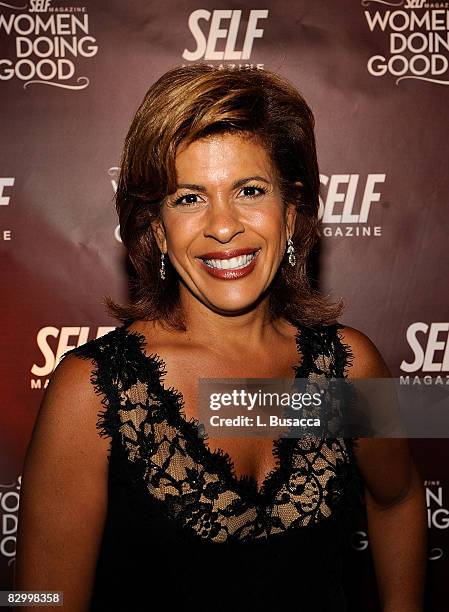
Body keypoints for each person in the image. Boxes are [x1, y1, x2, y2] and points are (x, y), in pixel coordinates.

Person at [14, 63, 427, 611]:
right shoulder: (92, 391)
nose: (223, 225)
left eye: (249, 190)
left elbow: (397, 498)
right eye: (189, 198)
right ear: (158, 228)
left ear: (291, 210)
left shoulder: (347, 366)